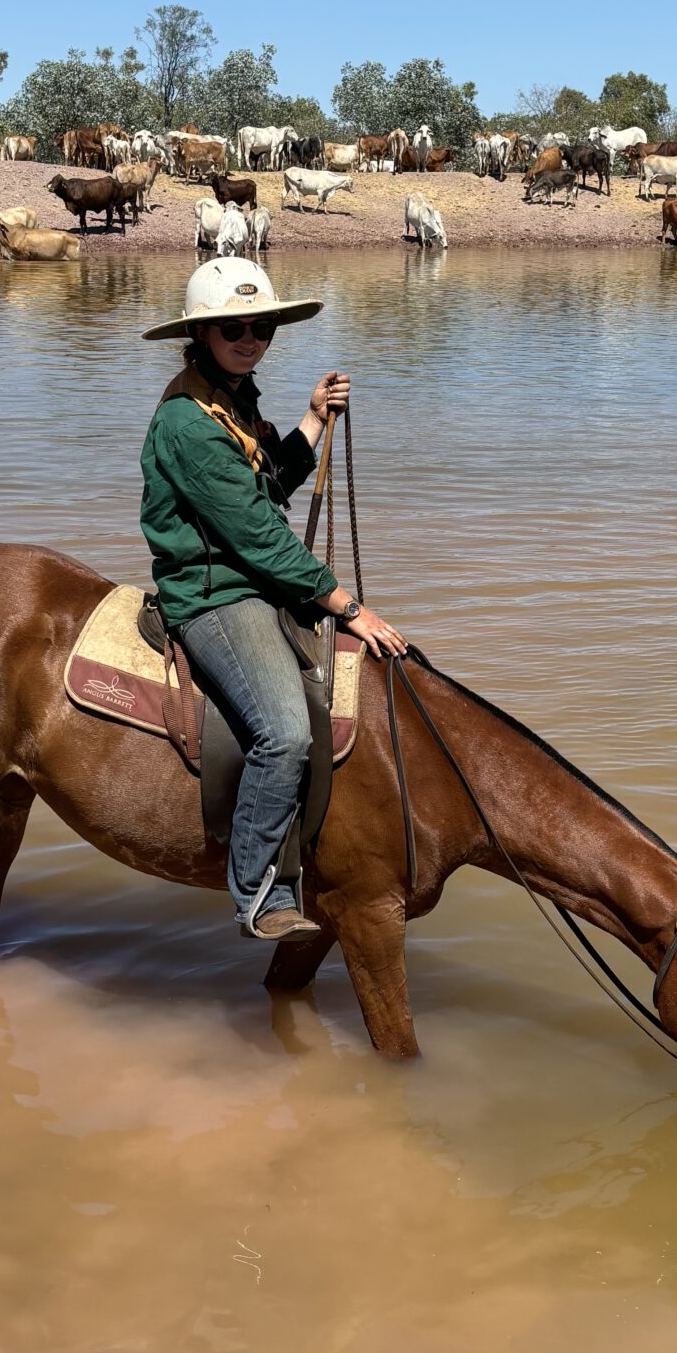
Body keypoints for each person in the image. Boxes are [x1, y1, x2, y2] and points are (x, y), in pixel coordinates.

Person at [140, 259, 408, 942]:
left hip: (247, 573)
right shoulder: (189, 423)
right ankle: (260, 890)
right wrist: (350, 607)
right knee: (284, 731)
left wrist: (312, 421)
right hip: (214, 594)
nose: (251, 336)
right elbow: (259, 537)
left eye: (262, 326)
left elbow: (262, 488)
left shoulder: (232, 395)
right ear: (201, 334)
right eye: (235, 326)